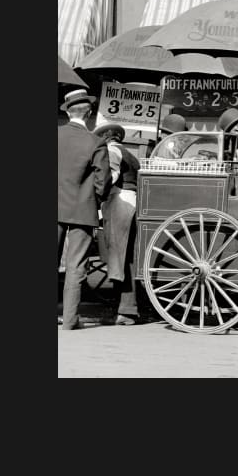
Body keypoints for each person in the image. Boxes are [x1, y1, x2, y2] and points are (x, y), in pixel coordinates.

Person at [58, 89, 112, 330]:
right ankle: (70, 320)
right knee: (76, 265)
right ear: (89, 113)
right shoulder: (96, 142)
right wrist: (94, 201)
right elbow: (103, 180)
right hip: (82, 210)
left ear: (68, 112)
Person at [92, 122, 143, 325]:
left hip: (119, 201)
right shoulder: (129, 153)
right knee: (126, 256)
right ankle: (126, 309)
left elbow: (109, 178)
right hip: (132, 201)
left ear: (105, 138)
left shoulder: (111, 151)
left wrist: (94, 195)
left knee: (118, 255)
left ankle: (126, 311)